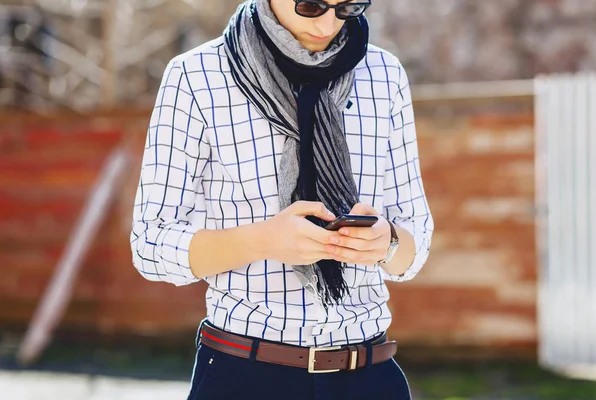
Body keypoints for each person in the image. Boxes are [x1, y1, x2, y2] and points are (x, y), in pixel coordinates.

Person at [130, 0, 434, 398]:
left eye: (348, 7)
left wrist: (387, 241)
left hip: (368, 374)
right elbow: (150, 244)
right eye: (311, 5)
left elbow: (416, 243)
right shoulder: (197, 76)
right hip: (244, 375)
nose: (328, 24)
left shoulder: (384, 75)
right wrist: (265, 240)